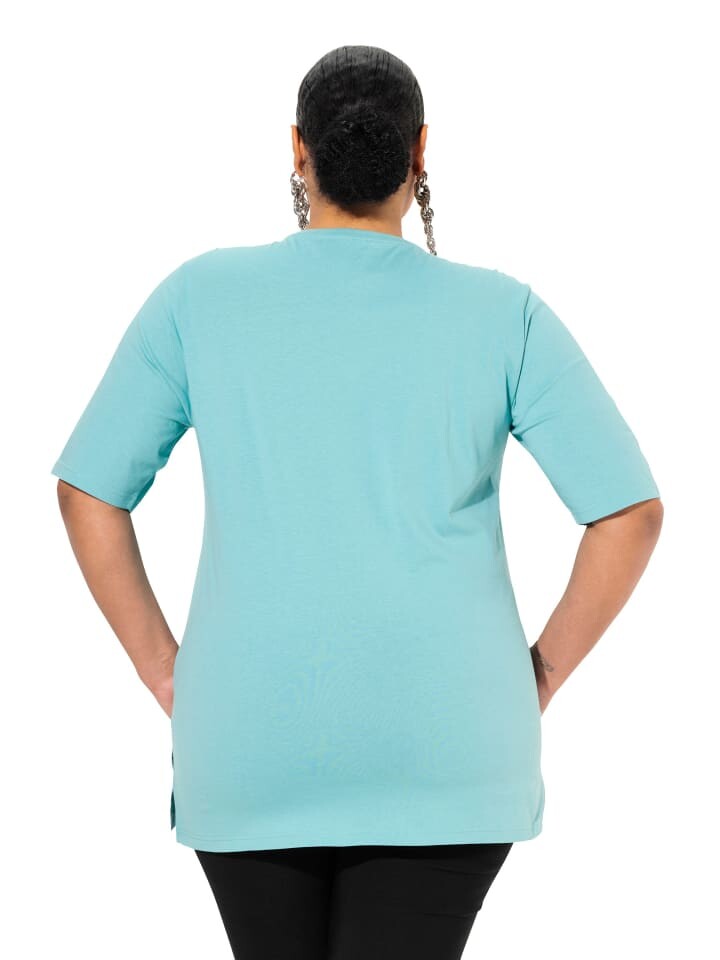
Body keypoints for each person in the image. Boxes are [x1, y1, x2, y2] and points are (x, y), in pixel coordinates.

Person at [50, 44, 663, 960]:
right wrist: (537, 675)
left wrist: (166, 672)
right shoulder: (504, 313)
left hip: (251, 740)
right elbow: (628, 512)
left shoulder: (199, 298)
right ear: (421, 151)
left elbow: (89, 490)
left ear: (298, 150)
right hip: (449, 745)